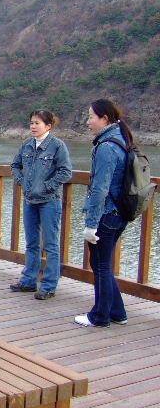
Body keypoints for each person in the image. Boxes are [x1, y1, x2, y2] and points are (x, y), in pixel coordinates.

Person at [75, 99, 133, 328]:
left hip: (107, 215)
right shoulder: (121, 139)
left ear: (105, 119)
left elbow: (100, 189)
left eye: (91, 117)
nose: (88, 122)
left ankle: (99, 316)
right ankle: (117, 312)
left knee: (100, 265)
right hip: (119, 213)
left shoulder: (107, 147)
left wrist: (91, 224)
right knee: (103, 264)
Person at [10, 110, 72, 300]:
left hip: (49, 202)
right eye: (31, 123)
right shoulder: (27, 144)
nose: (33, 126)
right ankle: (29, 281)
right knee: (32, 243)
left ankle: (48, 285)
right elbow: (15, 165)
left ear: (48, 126)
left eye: (37, 123)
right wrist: (21, 181)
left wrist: (47, 186)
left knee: (51, 245)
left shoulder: (57, 146)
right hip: (29, 200)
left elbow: (65, 172)